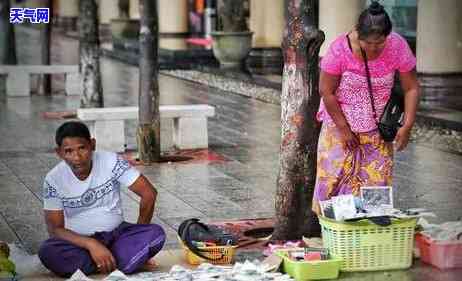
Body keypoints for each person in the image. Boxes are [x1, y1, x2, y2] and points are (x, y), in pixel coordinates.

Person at [312, 1, 419, 214]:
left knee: (375, 190)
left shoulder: (397, 46)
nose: (372, 48)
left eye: (379, 43)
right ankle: (335, 234)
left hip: (377, 129)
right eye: (367, 43)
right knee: (333, 181)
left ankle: (370, 235)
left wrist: (407, 125)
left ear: (388, 36)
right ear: (357, 33)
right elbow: (326, 91)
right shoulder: (339, 50)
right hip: (339, 126)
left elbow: (411, 88)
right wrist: (344, 128)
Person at [38, 121, 165, 277]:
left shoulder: (111, 161)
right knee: (47, 251)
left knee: (155, 233)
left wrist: (139, 230)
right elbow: (55, 229)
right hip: (80, 244)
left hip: (117, 235)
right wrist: (92, 244)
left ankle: (102, 262)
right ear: (59, 153)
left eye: (82, 148)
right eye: (69, 151)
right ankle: (120, 261)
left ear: (92, 145)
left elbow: (149, 193)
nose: (77, 157)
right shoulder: (54, 179)